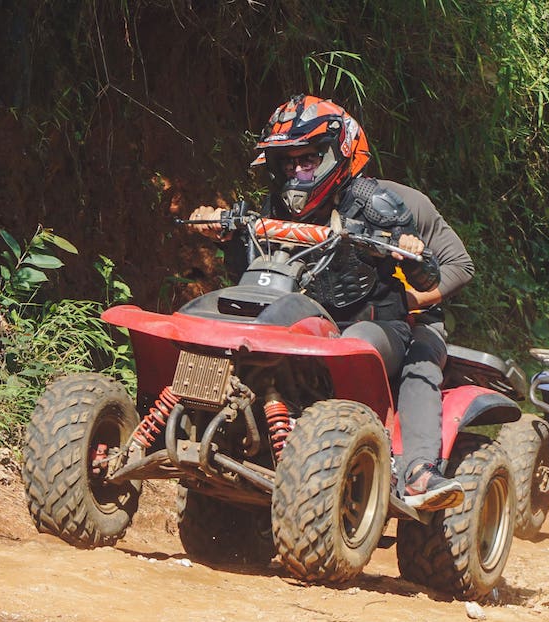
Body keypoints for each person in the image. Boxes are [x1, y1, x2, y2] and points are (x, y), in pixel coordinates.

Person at [188, 94, 474, 511]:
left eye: (307, 162)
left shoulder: (401, 204)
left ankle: (417, 469)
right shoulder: (281, 205)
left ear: (337, 156)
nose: (297, 173)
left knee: (413, 358)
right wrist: (224, 231)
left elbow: (458, 265)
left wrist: (413, 295)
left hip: (398, 316)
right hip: (316, 313)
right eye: (288, 163)